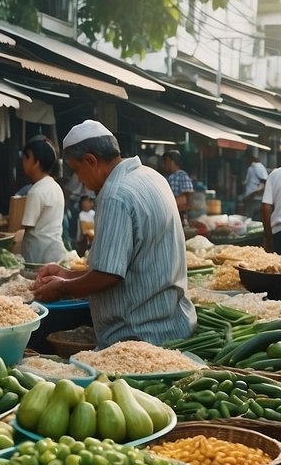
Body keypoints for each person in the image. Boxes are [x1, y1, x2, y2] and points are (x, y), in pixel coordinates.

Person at [32, 120, 195, 347]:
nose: (80, 180)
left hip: (138, 337)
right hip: (171, 327)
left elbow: (109, 275)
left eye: (78, 171)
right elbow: (119, 265)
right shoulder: (151, 176)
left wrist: (62, 287)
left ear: (91, 160)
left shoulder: (115, 194)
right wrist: (67, 274)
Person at [19, 136, 67, 264]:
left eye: (26, 157)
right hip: (54, 251)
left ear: (37, 163)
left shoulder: (36, 191)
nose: (23, 161)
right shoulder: (55, 187)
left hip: (38, 256)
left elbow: (27, 225)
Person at [162, 150, 193, 221]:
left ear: (170, 162)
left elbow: (185, 199)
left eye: (165, 163)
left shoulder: (181, 175)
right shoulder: (169, 177)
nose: (164, 166)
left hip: (178, 214)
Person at [241, 151, 269, 215]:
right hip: (249, 197)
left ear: (250, 158)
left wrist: (253, 194)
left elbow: (264, 182)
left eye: (246, 160)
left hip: (254, 198)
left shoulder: (258, 166)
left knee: (253, 216)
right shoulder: (251, 167)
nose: (245, 162)